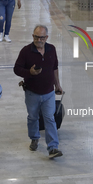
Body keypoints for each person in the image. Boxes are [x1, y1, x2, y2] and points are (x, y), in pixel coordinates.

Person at [14, 25, 63, 159]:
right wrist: (29, 72)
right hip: (32, 93)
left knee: (50, 118)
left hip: (48, 93)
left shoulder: (51, 49)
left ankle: (53, 147)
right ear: (32, 36)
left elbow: (54, 68)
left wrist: (57, 85)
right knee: (33, 117)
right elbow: (16, 69)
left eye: (41, 37)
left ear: (46, 37)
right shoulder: (26, 51)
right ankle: (34, 138)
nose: (39, 40)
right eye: (36, 37)